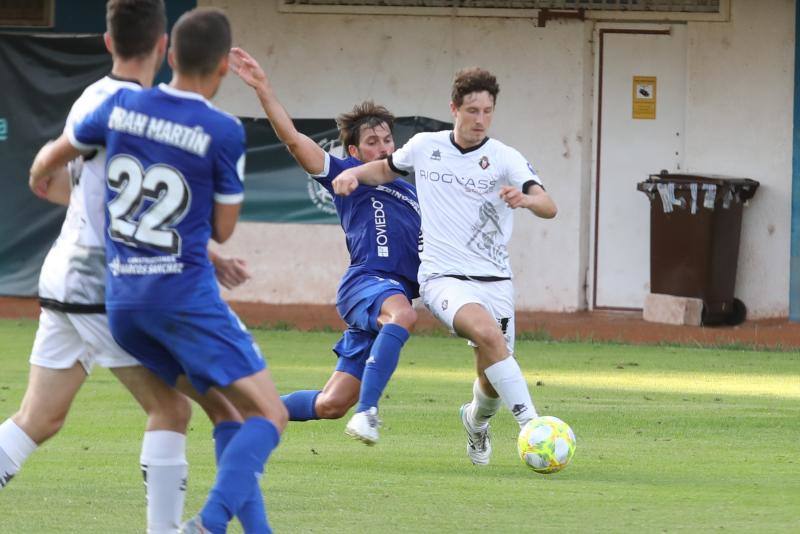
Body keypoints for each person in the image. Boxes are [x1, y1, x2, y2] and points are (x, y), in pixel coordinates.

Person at [29, 8, 288, 534]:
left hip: (123, 303)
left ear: (170, 54)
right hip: (183, 297)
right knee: (270, 415)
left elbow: (51, 162)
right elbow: (222, 229)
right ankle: (206, 525)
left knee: (221, 412)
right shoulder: (222, 128)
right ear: (220, 67)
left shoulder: (119, 104)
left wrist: (47, 180)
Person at [332, 67, 558, 466]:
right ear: (454, 108)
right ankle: (533, 425)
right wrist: (352, 174)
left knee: (490, 374)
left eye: (487, 111)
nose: (479, 120)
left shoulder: (505, 157)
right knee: (488, 333)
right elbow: (384, 169)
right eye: (472, 110)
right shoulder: (425, 146)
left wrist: (526, 201)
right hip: (443, 278)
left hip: (496, 280)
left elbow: (548, 204)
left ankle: (475, 422)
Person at [229, 47, 420, 445]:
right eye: (373, 142)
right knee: (402, 317)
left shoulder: (413, 190)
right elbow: (295, 141)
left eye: (388, 139)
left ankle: (251, 412)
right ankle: (368, 413)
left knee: (332, 404)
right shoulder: (349, 175)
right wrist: (263, 89)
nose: (384, 148)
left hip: (391, 293)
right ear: (354, 152)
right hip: (368, 283)